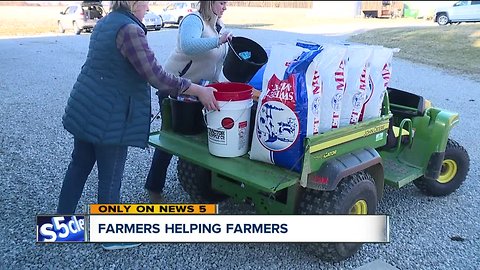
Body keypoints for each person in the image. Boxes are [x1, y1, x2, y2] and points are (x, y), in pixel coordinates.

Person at [56, 1, 219, 250]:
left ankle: (61, 225)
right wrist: (196, 89)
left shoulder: (107, 22)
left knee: (78, 165)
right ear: (133, 3)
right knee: (110, 177)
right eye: (144, 1)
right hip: (109, 114)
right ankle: (111, 237)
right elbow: (156, 76)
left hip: (86, 105)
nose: (148, 5)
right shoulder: (130, 31)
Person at [145, 1, 232, 203]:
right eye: (221, 2)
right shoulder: (193, 20)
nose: (225, 7)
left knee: (201, 135)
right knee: (170, 138)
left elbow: (214, 63)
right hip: (174, 88)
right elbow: (188, 45)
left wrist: (221, 86)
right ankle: (154, 188)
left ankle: (204, 183)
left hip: (200, 90)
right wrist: (218, 40)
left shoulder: (218, 26)